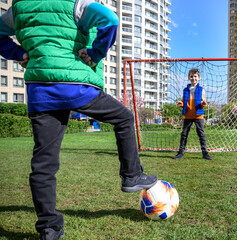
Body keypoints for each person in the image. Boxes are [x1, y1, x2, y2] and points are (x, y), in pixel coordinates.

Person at [0, 1, 157, 239]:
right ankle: (131, 175)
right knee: (124, 118)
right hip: (76, 87)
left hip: (40, 92)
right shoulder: (76, 3)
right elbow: (110, 20)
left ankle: (49, 228)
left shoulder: (19, 7)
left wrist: (19, 53)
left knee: (43, 163)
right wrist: (94, 54)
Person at [173, 68, 213, 160]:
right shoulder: (185, 90)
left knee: (201, 134)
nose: (193, 78)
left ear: (199, 78)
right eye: (191, 76)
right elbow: (184, 102)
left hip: (198, 115)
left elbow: (204, 102)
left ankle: (205, 153)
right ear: (188, 78)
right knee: (184, 134)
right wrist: (181, 104)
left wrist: (204, 103)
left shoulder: (201, 89)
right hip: (187, 115)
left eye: (195, 76)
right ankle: (180, 153)